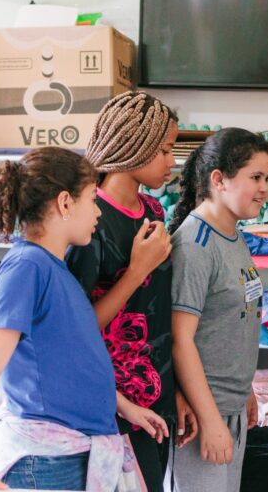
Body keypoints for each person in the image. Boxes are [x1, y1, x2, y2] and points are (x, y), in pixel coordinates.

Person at [0, 147, 167, 491]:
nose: (97, 213)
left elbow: (69, 358)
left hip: (64, 454)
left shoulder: (53, 269)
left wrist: (122, 406)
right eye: (92, 199)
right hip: (43, 460)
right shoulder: (27, 267)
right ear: (65, 203)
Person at [66, 90, 197, 492]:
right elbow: (75, 329)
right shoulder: (90, 224)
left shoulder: (154, 212)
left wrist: (173, 390)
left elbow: (156, 313)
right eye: (164, 150)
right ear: (132, 145)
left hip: (156, 396)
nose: (172, 162)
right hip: (113, 404)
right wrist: (137, 269)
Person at [169, 128, 268, 492]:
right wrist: (210, 419)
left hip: (230, 408)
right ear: (219, 180)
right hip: (201, 416)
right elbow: (181, 340)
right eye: (255, 177)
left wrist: (245, 390)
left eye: (267, 178)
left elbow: (233, 320)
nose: (265, 188)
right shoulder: (195, 244)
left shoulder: (233, 234)